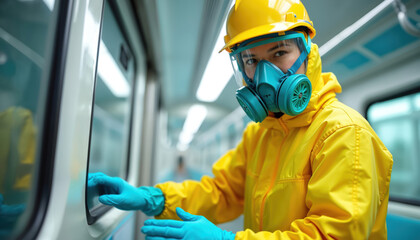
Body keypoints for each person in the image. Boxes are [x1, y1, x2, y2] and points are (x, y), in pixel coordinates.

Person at [88, 0, 393, 239]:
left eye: (278, 53)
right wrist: (150, 197)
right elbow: (221, 192)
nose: (264, 74)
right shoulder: (260, 135)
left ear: (307, 52)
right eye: (251, 60)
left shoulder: (343, 133)